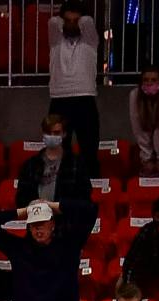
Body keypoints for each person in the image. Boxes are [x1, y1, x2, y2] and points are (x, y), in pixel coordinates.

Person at [46, 0, 100, 175]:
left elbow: (88, 23)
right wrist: (66, 19)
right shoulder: (56, 41)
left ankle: (90, 189)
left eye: (75, 21)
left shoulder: (90, 41)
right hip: (59, 100)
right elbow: (53, 22)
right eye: (67, 21)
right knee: (59, 150)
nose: (71, 25)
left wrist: (79, 19)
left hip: (85, 98)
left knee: (89, 149)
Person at [13, 113, 91, 208]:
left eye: (56, 133)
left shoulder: (77, 164)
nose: (52, 136)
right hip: (37, 217)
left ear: (64, 134)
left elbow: (84, 197)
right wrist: (31, 203)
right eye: (48, 132)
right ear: (43, 133)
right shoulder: (30, 165)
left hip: (66, 218)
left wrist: (59, 206)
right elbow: (20, 198)